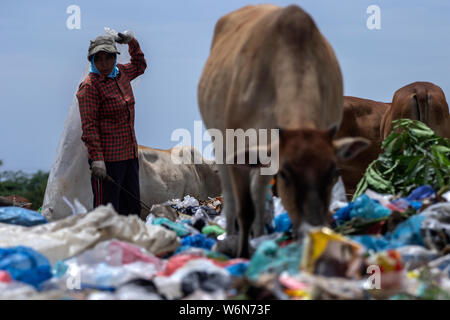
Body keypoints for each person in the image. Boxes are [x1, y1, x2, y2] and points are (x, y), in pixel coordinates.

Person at [76, 31, 147, 216]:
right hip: (107, 161)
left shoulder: (121, 73)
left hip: (129, 155)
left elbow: (140, 65)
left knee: (131, 210)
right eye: (98, 59)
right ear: (92, 61)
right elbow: (89, 126)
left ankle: (130, 244)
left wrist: (132, 41)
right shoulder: (90, 86)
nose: (104, 64)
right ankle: (106, 245)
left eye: (108, 58)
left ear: (115, 58)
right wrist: (97, 159)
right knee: (108, 213)